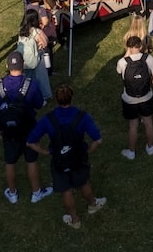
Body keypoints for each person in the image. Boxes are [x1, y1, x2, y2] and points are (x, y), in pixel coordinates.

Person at [27, 84, 106, 229]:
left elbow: (31, 141)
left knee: (66, 190)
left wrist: (47, 152)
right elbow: (97, 140)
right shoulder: (82, 117)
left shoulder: (48, 119)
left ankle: (74, 219)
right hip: (78, 158)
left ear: (57, 100)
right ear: (71, 98)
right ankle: (92, 204)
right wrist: (88, 151)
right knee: (83, 182)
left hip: (59, 161)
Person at [0, 51, 52, 205]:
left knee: (10, 162)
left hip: (8, 131)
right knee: (31, 160)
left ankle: (12, 193)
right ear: (22, 65)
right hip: (29, 129)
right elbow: (38, 104)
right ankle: (36, 192)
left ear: (7, 66)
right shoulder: (31, 84)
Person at [116, 36, 153, 160]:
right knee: (148, 123)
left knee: (133, 125)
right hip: (146, 97)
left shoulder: (122, 62)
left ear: (128, 47)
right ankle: (150, 147)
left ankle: (131, 152)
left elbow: (119, 72)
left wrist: (126, 54)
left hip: (129, 99)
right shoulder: (149, 59)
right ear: (140, 46)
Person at [17, 9, 52, 102]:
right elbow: (45, 43)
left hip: (25, 60)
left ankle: (29, 96)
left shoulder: (21, 30)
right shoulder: (36, 31)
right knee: (41, 79)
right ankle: (43, 96)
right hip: (37, 59)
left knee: (28, 80)